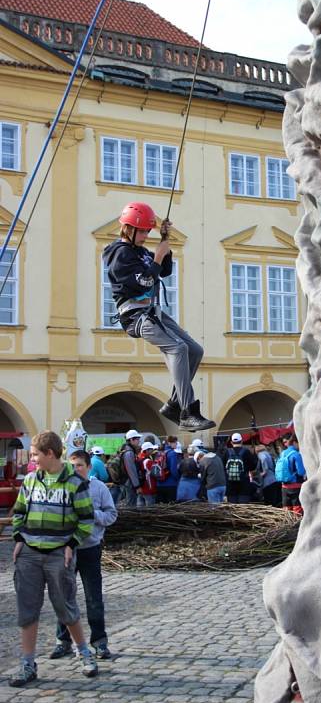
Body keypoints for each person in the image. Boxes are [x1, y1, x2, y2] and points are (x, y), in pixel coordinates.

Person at [103, 202, 215, 432]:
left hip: (152, 311)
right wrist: (156, 258)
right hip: (134, 315)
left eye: (147, 231)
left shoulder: (140, 252)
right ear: (128, 229)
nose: (145, 235)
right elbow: (143, 282)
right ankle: (187, 412)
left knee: (194, 350)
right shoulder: (118, 254)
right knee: (177, 348)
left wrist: (165, 242)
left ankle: (174, 404)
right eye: (142, 231)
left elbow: (164, 271)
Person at [9, 431, 98, 687]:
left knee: (65, 606)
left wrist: (72, 544)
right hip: (29, 554)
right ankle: (28, 664)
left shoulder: (75, 482)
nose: (33, 458)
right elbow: (20, 511)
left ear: (50, 453)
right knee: (27, 610)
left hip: (60, 554)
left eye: (36, 454)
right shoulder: (30, 480)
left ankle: (84, 653)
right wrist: (18, 538)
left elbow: (86, 519)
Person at [51, 450, 117, 661]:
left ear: (89, 467)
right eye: (72, 466)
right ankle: (63, 641)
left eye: (79, 465)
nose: (75, 469)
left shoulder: (98, 488)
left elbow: (111, 515)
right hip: (66, 549)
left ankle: (99, 642)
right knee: (63, 596)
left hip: (89, 548)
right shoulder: (63, 487)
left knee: (93, 597)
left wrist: (92, 514)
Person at [276, 436, 306, 515]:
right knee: (297, 511)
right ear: (295, 442)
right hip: (295, 487)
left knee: (287, 511)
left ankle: (288, 526)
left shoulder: (282, 453)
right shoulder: (296, 454)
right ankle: (297, 526)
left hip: (284, 487)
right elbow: (301, 472)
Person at [224, 433, 257, 504]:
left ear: (231, 442)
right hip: (244, 484)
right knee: (243, 508)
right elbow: (253, 466)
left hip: (230, 485)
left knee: (232, 508)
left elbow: (223, 466)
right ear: (241, 441)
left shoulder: (227, 452)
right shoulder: (246, 452)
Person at [156, 436, 182, 503]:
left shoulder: (159, 453)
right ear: (170, 443)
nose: (176, 444)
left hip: (159, 484)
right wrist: (178, 479)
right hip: (170, 484)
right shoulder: (172, 453)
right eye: (175, 442)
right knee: (171, 507)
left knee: (162, 508)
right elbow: (173, 470)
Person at [121, 429, 143, 507]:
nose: (139, 441)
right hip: (130, 483)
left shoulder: (126, 450)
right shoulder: (129, 452)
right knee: (131, 505)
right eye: (137, 439)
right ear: (131, 440)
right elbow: (131, 471)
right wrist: (137, 486)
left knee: (130, 503)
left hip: (128, 482)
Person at [137, 441, 159, 508]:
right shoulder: (148, 461)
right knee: (150, 509)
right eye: (151, 449)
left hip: (140, 487)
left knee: (140, 508)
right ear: (146, 450)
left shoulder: (138, 458)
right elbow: (156, 473)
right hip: (148, 488)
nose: (152, 451)